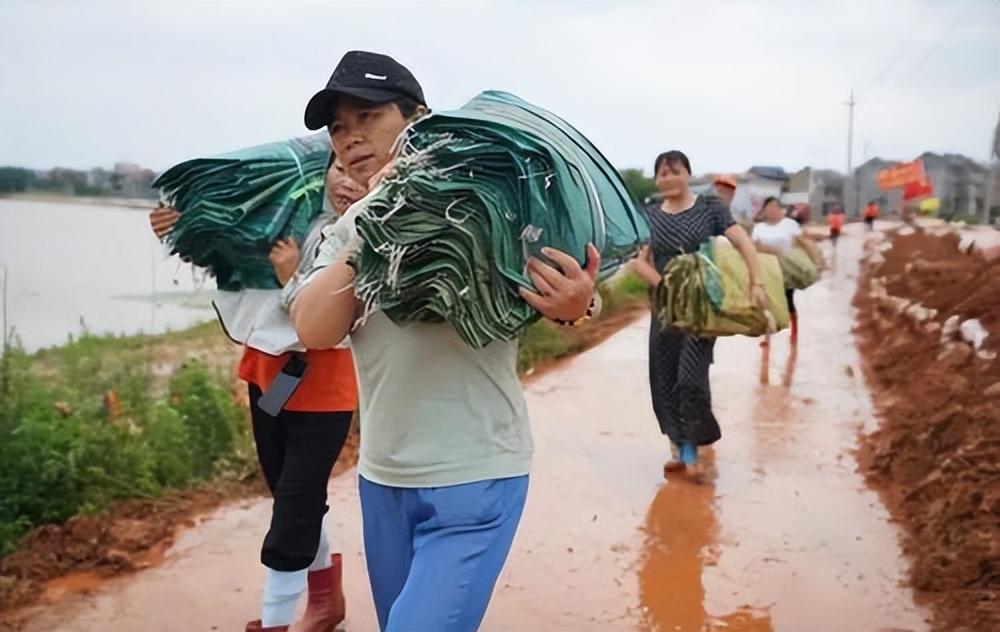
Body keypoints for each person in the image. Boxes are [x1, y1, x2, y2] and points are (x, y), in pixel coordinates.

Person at [289, 50, 600, 632]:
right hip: (385, 479)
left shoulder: (486, 206)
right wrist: (380, 219)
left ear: (419, 118)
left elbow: (574, 281)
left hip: (476, 474)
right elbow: (313, 328)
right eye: (338, 128)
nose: (351, 137)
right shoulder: (350, 225)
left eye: (369, 117)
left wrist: (580, 306)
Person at [149, 157, 366, 632]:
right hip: (268, 376)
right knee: (291, 497)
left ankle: (274, 622)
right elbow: (224, 243)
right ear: (321, 172)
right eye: (339, 170)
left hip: (325, 385)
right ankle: (326, 601)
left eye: (358, 174)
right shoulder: (283, 215)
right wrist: (178, 226)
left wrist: (293, 277)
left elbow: (346, 315)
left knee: (294, 504)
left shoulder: (366, 231)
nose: (348, 183)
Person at [629, 150, 764, 476]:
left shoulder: (709, 209)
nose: (667, 178)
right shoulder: (649, 216)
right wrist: (661, 281)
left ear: (688, 174)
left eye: (674, 171)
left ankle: (691, 449)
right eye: (661, 173)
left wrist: (755, 280)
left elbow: (742, 241)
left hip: (701, 307)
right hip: (664, 306)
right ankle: (676, 444)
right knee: (664, 378)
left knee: (690, 377)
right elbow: (639, 260)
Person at [752, 196, 802, 345]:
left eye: (775, 207)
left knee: (788, 301)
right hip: (766, 270)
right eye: (768, 208)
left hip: (786, 270)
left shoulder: (790, 224)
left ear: (781, 210)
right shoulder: (759, 228)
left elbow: (800, 244)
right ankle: (765, 335)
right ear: (764, 211)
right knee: (766, 303)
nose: (772, 210)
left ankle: (794, 332)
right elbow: (754, 248)